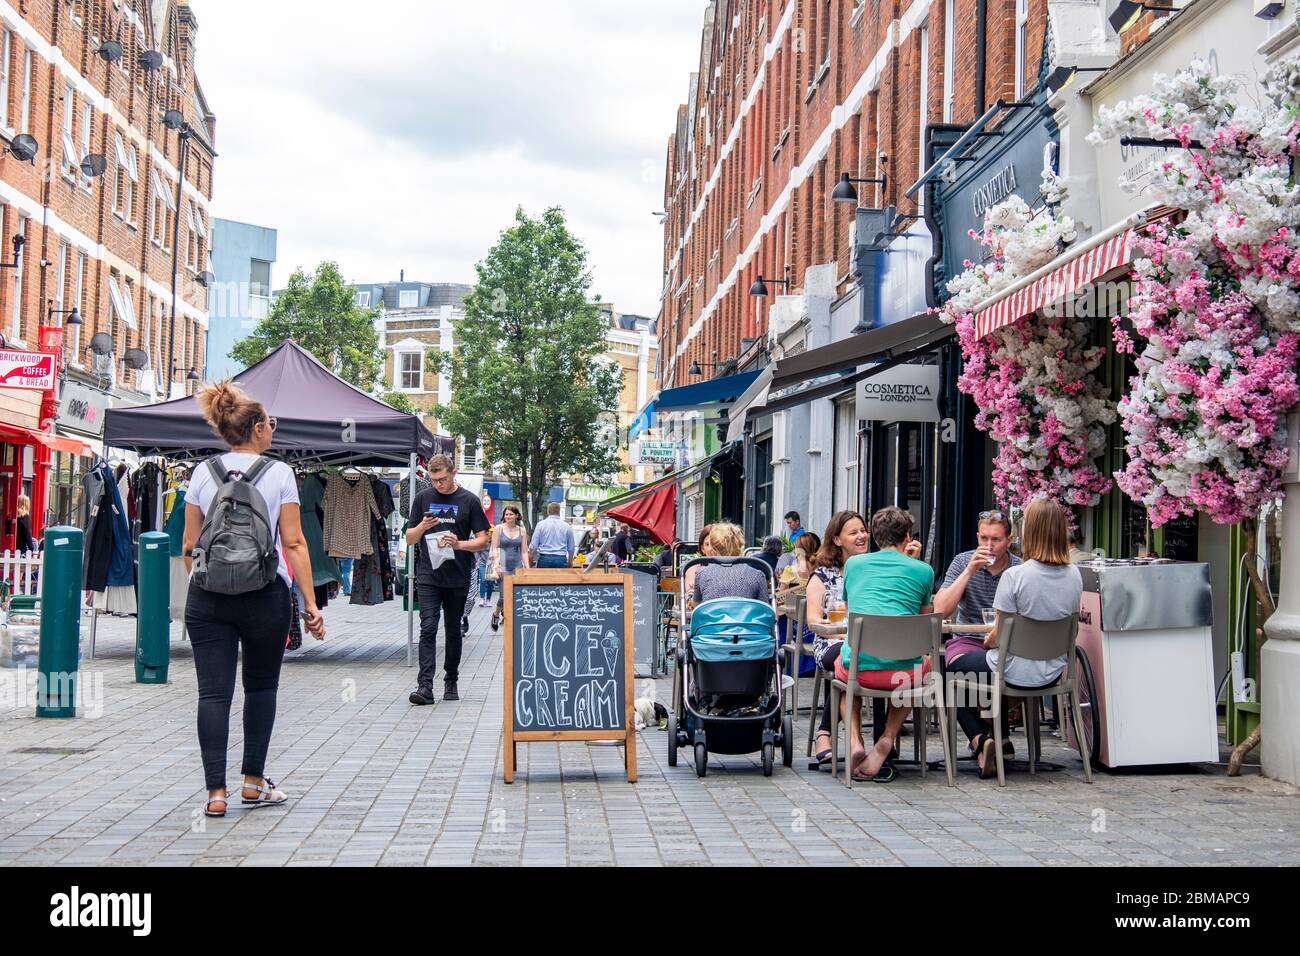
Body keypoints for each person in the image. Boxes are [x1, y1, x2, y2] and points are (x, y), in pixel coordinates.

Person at [182, 380, 325, 819]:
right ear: (259, 428)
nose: (272, 431)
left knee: (213, 694)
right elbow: (295, 542)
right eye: (271, 424)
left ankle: (214, 793)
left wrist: (211, 581)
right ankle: (252, 782)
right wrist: (309, 604)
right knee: (261, 687)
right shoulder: (279, 473)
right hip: (266, 595)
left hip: (207, 599)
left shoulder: (202, 473)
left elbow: (189, 546)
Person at [947, 498, 1083, 778]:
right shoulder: (1075, 575)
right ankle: (997, 738)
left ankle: (980, 739)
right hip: (1053, 671)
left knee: (950, 676)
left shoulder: (1016, 576)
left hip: (1012, 670)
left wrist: (988, 643)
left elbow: (998, 635)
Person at [839, 506, 935, 783]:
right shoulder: (923, 570)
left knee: (846, 675)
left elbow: (850, 611)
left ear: (875, 536)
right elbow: (923, 621)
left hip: (862, 668)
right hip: (902, 675)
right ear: (908, 536)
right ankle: (887, 738)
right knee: (919, 668)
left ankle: (856, 740)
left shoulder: (854, 565)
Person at [404, 454, 490, 705]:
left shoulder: (469, 501)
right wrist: (422, 526)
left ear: (454, 473)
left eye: (442, 479)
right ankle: (425, 686)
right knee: (428, 627)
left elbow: (483, 539)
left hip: (458, 576)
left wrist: (460, 543)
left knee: (453, 630)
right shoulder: (423, 499)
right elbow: (410, 538)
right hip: (428, 574)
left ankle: (451, 680)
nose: (438, 485)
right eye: (434, 480)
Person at [807, 512, 869, 763]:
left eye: (863, 530)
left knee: (861, 658)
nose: (862, 536)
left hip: (866, 642)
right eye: (853, 532)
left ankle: (829, 734)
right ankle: (828, 732)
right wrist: (838, 626)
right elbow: (813, 620)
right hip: (832, 642)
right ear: (837, 540)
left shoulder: (873, 570)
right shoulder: (822, 576)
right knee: (848, 659)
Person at [691, 523, 770, 604]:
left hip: (712, 616)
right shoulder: (757, 575)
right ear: (740, 545)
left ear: (714, 548)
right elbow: (764, 608)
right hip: (744, 616)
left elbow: (697, 605)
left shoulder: (702, 574)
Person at [490, 505, 529, 630]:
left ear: (516, 516)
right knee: (503, 595)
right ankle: (496, 614)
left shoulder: (522, 530)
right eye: (506, 514)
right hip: (503, 566)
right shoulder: (498, 529)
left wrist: (527, 568)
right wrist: (496, 565)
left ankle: (510, 619)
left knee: (516, 594)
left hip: (517, 566)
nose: (508, 516)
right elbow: (494, 548)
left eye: (511, 514)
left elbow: (524, 551)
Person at [529, 502, 575, 568]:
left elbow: (533, 546)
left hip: (544, 559)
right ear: (559, 511)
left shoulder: (540, 525)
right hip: (561, 559)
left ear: (548, 511)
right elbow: (571, 548)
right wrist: (570, 562)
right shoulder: (567, 526)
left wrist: (530, 560)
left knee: (543, 578)